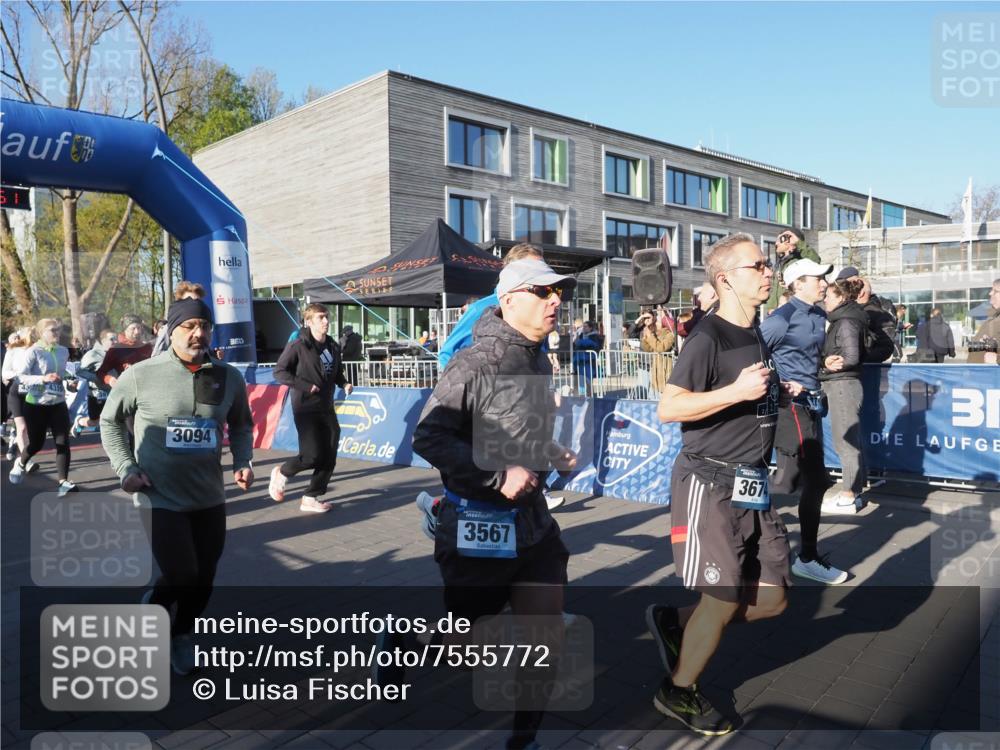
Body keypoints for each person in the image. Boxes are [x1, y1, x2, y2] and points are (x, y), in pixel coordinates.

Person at [409, 257, 578, 750]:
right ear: (508, 300)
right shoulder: (475, 362)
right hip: (478, 523)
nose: (556, 301)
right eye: (542, 292)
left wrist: (549, 452)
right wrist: (497, 475)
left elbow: (517, 431)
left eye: (558, 292)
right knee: (465, 641)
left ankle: (523, 741)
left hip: (533, 524)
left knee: (546, 637)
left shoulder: (537, 357)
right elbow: (429, 437)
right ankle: (405, 646)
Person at [648, 233, 788, 736]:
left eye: (769, 264)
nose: (768, 272)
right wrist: (737, 391)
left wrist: (775, 391)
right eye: (758, 265)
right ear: (726, 277)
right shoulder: (707, 336)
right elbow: (669, 407)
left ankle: (677, 622)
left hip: (753, 484)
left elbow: (749, 393)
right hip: (710, 481)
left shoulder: (755, 331)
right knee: (725, 596)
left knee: (772, 599)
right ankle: (678, 690)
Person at [100, 297, 254, 675]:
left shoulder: (227, 376)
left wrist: (243, 461)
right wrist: (125, 468)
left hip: (208, 496)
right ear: (171, 330)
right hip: (159, 495)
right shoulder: (141, 374)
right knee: (183, 574)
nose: (198, 333)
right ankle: (160, 606)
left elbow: (243, 424)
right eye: (189, 326)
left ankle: (180, 632)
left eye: (204, 325)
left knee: (204, 579)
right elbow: (109, 421)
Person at [430, 244, 565, 515]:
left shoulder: (536, 334)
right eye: (539, 284)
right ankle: (443, 512)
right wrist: (467, 389)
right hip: (482, 428)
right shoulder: (484, 311)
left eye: (553, 286)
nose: (553, 297)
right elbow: (447, 353)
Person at [761, 258, 849, 584]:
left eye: (824, 278)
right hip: (791, 407)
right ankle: (807, 557)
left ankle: (750, 530)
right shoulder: (780, 319)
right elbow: (750, 354)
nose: (824, 284)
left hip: (812, 404)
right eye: (818, 279)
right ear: (798, 284)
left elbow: (811, 355)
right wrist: (779, 381)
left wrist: (826, 361)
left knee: (789, 481)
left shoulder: (818, 314)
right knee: (815, 479)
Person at [269, 303, 353, 513]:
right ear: (309, 321)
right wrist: (306, 386)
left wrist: (343, 383)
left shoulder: (332, 346)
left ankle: (311, 496)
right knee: (311, 455)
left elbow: (336, 372)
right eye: (320, 317)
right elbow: (279, 372)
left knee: (330, 453)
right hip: (305, 407)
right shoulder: (299, 344)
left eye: (326, 317)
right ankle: (282, 472)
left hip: (326, 405)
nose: (326, 321)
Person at [9, 319, 77, 496]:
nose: (57, 333)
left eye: (58, 329)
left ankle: (63, 482)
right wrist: (43, 379)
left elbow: (63, 375)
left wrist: (70, 384)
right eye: (52, 330)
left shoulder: (63, 351)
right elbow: (21, 377)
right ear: (41, 333)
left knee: (63, 442)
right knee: (36, 444)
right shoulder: (34, 351)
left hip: (58, 403)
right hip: (36, 405)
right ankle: (21, 462)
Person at [819, 279, 869, 512]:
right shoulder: (845, 319)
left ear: (840, 298)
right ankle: (853, 491)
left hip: (842, 385)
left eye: (828, 295)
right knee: (850, 440)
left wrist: (827, 366)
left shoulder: (846, 321)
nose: (824, 299)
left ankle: (848, 494)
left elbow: (850, 357)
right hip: (842, 384)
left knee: (845, 442)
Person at [840, 270, 895, 363]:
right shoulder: (847, 311)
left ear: (861, 293)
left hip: (864, 370)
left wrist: (858, 359)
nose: (845, 293)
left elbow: (886, 348)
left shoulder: (879, 315)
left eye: (850, 289)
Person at [2, 327, 38, 470]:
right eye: (32, 334)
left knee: (29, 429)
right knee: (21, 428)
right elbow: (4, 372)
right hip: (16, 392)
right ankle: (27, 461)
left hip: (33, 392)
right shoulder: (13, 351)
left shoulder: (39, 350)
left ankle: (22, 458)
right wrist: (18, 374)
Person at [72, 329, 119, 437]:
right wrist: (99, 378)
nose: (115, 342)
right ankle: (79, 422)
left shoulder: (116, 354)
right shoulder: (92, 354)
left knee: (114, 420)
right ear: (102, 341)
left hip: (113, 393)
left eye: (116, 339)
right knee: (95, 421)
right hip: (97, 394)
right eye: (112, 339)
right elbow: (80, 372)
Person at [767, 228, 820, 310]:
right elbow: (774, 289)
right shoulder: (779, 265)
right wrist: (771, 307)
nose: (776, 243)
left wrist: (798, 242)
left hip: (794, 311)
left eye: (781, 239)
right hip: (777, 312)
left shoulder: (799, 262)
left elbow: (815, 261)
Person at [152, 281, 206, 356]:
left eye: (197, 301)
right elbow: (156, 358)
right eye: (189, 301)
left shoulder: (205, 328)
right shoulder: (169, 329)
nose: (194, 305)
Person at [640, 312, 675, 395]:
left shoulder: (670, 334)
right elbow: (648, 349)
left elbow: (661, 348)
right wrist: (645, 337)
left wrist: (650, 336)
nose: (655, 322)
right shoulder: (654, 334)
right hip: (656, 370)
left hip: (666, 370)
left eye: (658, 319)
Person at [969, 278, 1000, 364]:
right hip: (979, 374)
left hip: (991, 375)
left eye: (995, 291)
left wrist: (997, 359)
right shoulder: (992, 317)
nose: (990, 293)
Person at [573, 320, 602, 397]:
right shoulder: (581, 335)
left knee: (588, 379)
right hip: (580, 361)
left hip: (589, 361)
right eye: (583, 326)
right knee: (580, 379)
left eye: (586, 326)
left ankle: (589, 395)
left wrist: (579, 342)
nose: (584, 328)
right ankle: (582, 395)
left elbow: (591, 344)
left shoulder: (594, 336)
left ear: (590, 328)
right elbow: (576, 344)